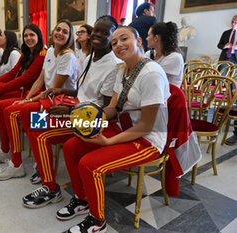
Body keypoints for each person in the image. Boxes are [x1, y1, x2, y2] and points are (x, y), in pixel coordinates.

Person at [58, 25, 170, 233]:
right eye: (115, 42)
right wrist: (90, 119)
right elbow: (113, 108)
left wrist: (108, 142)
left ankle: (97, 221)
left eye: (124, 39)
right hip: (122, 127)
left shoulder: (152, 74)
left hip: (148, 139)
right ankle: (82, 199)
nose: (119, 44)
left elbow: (146, 126)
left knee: (90, 164)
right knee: (71, 147)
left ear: (138, 41)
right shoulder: (122, 70)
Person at [15, 15, 119, 209]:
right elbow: (82, 91)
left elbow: (105, 110)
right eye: (96, 30)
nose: (97, 35)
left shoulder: (112, 65)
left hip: (90, 120)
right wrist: (62, 91)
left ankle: (50, 187)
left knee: (39, 134)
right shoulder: (90, 58)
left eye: (105, 32)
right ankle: (44, 172)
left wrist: (70, 110)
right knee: (33, 123)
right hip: (76, 110)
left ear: (113, 37)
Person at [0, 19, 77, 181]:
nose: (60, 33)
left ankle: (18, 164)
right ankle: (19, 156)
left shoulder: (68, 56)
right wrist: (27, 98)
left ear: (70, 37)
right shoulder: (50, 51)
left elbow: (53, 89)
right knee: (5, 108)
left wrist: (28, 101)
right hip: (47, 99)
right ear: (53, 31)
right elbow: (40, 80)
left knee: (14, 113)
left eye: (65, 32)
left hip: (59, 104)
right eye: (58, 29)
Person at [146, 22, 184, 87]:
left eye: (149, 35)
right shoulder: (150, 53)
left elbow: (154, 79)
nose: (146, 38)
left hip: (168, 95)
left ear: (156, 38)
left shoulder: (175, 57)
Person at [220, 16, 237, 146]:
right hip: (225, 60)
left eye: (235, 21)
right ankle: (225, 109)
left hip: (235, 61)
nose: (233, 23)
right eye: (232, 21)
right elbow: (219, 44)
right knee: (223, 84)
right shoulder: (226, 33)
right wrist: (225, 45)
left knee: (234, 87)